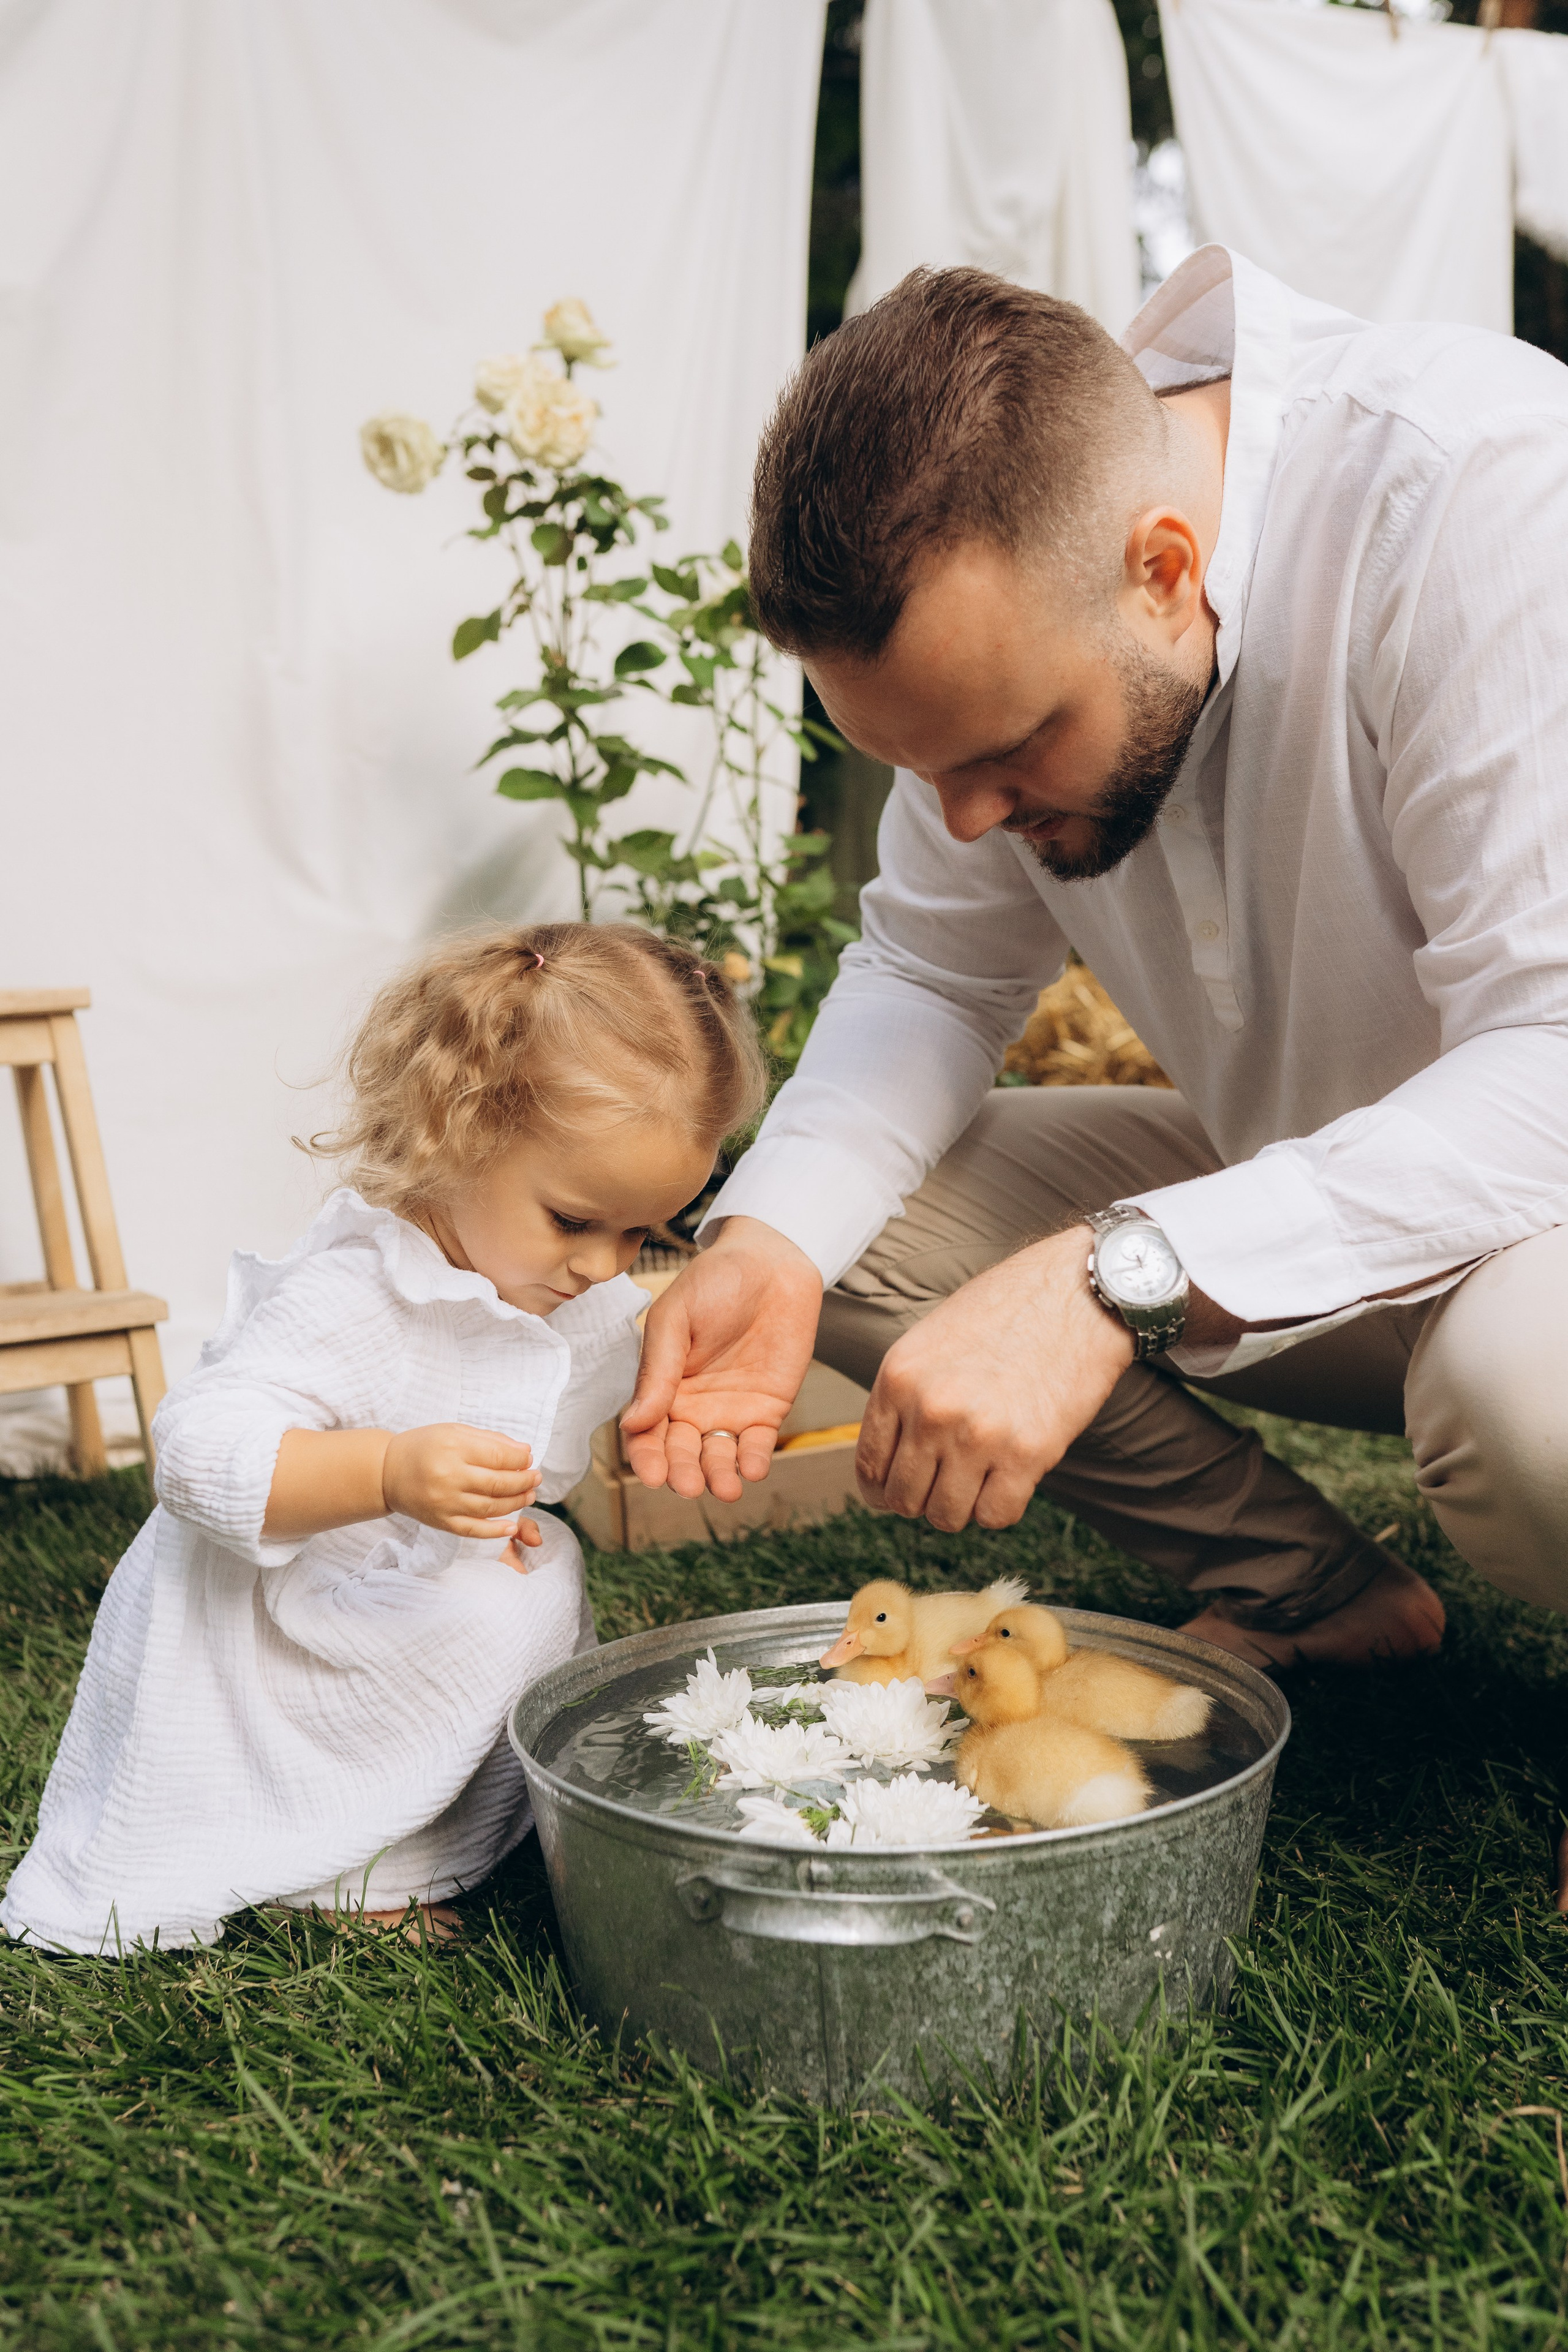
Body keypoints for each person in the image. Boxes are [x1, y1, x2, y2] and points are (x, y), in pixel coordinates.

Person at [622, 249, 1568, 1816]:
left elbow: (1552, 1056)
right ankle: (1310, 1593)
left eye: (1004, 750)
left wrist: (1108, 1272)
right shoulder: (1032, 604)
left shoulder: (1481, 490)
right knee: (832, 1225)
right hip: (1325, 1234)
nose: (965, 820)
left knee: (1529, 1396)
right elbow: (932, 971)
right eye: (920, 771)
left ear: (1163, 566)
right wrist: (766, 1249)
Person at [2, 925, 764, 1954]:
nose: (603, 1266)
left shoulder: (541, 1278)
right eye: (574, 1220)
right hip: (284, 1627)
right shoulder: (355, 1293)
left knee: (537, 1583)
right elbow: (195, 1451)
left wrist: (680, 1376)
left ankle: (435, 1825)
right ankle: (334, 1865)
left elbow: (593, 1365)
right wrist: (389, 1473)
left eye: (642, 1233)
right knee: (467, 1623)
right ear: (460, 1134)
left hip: (404, 1580)